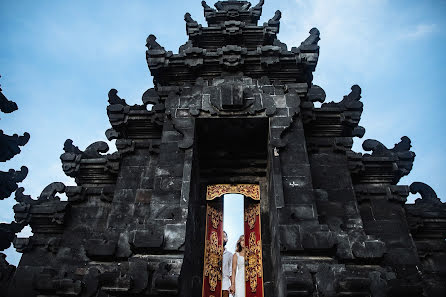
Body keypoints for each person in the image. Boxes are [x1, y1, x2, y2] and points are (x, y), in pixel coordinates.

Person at [222, 231, 233, 297]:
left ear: (227, 239)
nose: (223, 238)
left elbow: (231, 271)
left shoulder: (229, 255)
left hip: (225, 285)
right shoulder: (211, 253)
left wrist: (232, 285)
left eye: (224, 236)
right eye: (221, 236)